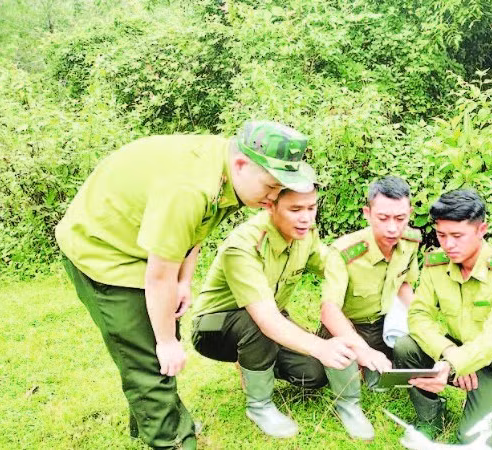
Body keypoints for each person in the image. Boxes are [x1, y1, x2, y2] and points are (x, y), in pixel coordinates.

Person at [55, 120, 315, 448]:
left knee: (161, 339)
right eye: (272, 186)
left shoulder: (232, 173)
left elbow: (195, 231)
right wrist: (164, 341)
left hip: (146, 242)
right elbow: (159, 274)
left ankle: (160, 419)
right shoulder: (191, 188)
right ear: (242, 165)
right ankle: (173, 439)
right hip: (103, 248)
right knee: (150, 354)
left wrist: (185, 280)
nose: (274, 197)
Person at [190, 185, 373, 440]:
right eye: (295, 209)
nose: (306, 218)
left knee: (314, 373)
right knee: (257, 325)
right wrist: (320, 346)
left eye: (311, 208)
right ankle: (259, 405)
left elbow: (329, 264)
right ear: (270, 206)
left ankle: (253, 362)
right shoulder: (243, 246)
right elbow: (265, 319)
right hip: (214, 326)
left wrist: (366, 263)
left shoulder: (304, 233)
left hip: (268, 318)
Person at [394, 189, 492, 449]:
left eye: (457, 236)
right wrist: (449, 354)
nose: (448, 245)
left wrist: (456, 364)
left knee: (474, 443)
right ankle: (431, 416)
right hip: (455, 351)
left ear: (482, 230)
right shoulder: (435, 263)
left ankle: (486, 400)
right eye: (441, 235)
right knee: (406, 347)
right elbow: (419, 315)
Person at [319, 176, 421, 387]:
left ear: (409, 214)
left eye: (400, 218)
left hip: (385, 324)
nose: (393, 228)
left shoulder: (410, 242)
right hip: (348, 327)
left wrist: (421, 319)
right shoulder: (344, 252)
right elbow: (329, 312)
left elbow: (404, 284)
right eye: (383, 218)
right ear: (368, 214)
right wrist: (362, 350)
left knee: (411, 356)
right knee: (321, 376)